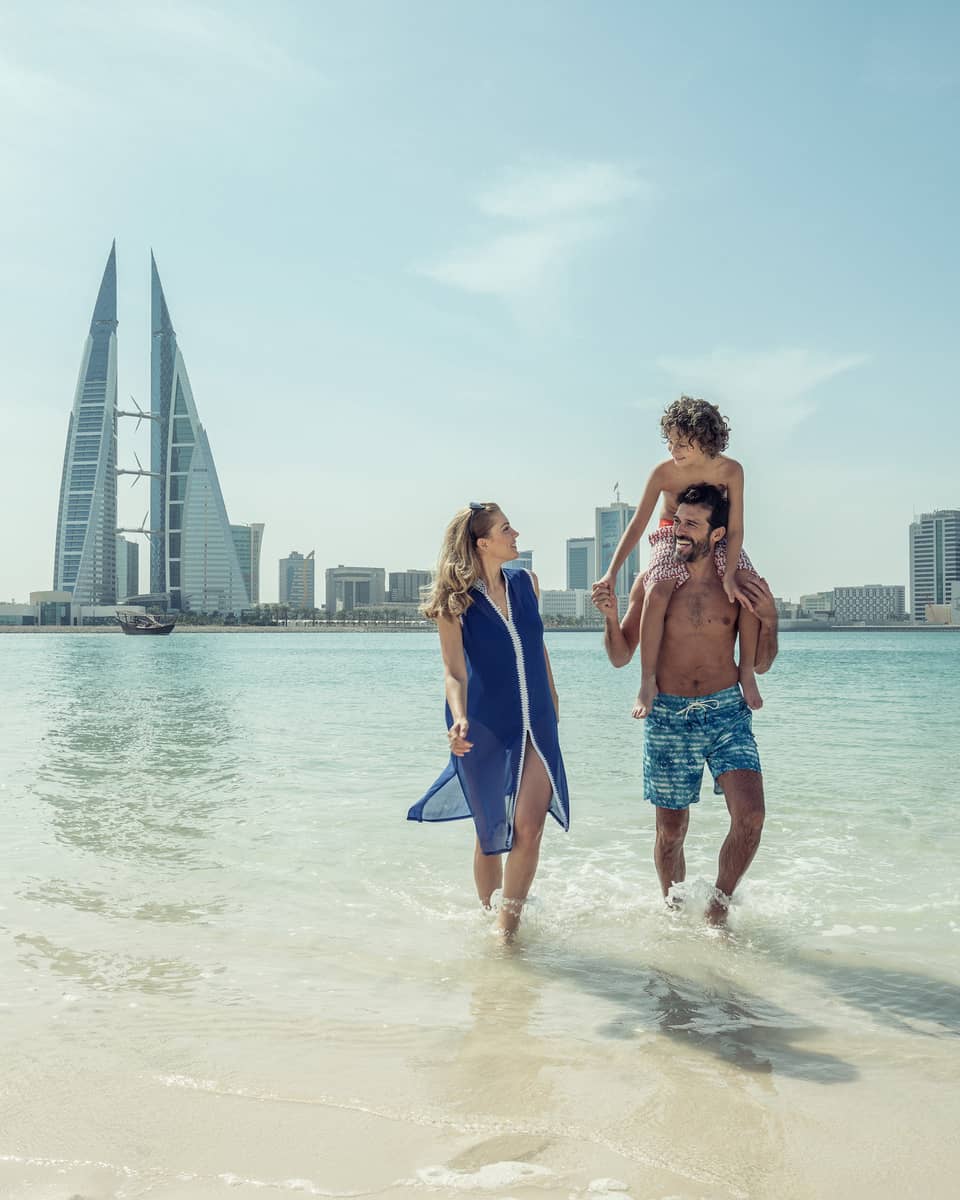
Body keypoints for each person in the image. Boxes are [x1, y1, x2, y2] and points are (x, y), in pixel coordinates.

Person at [592, 483, 778, 925]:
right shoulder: (653, 582)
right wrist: (609, 616)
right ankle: (674, 913)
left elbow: (762, 663)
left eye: (692, 524)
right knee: (671, 834)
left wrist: (770, 620)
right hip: (668, 715)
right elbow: (620, 655)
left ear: (717, 535)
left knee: (751, 816)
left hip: (727, 711)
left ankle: (719, 906)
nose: (679, 530)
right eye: (678, 521)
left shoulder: (738, 584)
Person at [408, 502, 570, 937]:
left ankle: (506, 931)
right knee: (491, 833)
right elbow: (454, 671)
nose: (515, 533)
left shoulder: (526, 584)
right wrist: (458, 718)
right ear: (483, 543)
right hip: (483, 723)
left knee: (530, 826)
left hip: (537, 721)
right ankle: (488, 914)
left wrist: (553, 700)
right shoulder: (453, 602)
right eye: (505, 529)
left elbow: (538, 648)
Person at [593, 396, 763, 719]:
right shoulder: (664, 473)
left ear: (705, 440)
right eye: (670, 443)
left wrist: (729, 574)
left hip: (717, 535)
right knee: (656, 588)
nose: (674, 450)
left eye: (682, 443)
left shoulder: (731, 471)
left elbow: (737, 528)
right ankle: (647, 682)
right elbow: (637, 524)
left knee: (747, 586)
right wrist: (611, 572)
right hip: (671, 534)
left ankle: (746, 674)